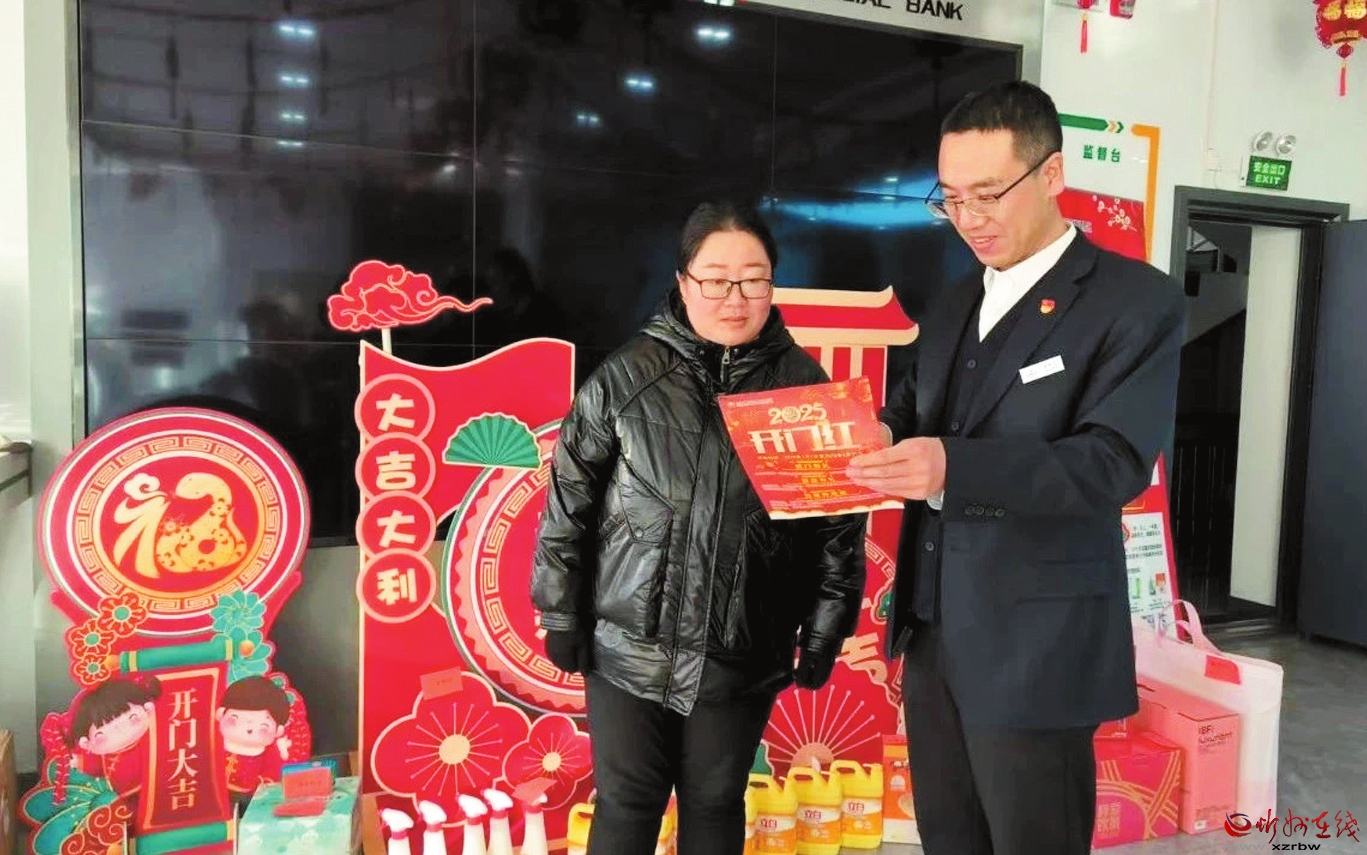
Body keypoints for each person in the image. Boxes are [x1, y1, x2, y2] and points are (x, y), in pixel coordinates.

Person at [846, 81, 1185, 855]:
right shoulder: (953, 299)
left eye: (988, 194)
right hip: (933, 633)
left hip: (1037, 643)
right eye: (951, 199)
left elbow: (1110, 462)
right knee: (948, 835)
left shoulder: (1134, 302)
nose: (968, 217)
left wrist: (950, 469)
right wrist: (873, 432)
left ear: (1051, 174)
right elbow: (915, 407)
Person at [531, 201, 867, 855]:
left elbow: (837, 531)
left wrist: (826, 631)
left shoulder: (806, 392)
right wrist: (561, 611)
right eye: (716, 279)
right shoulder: (626, 376)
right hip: (627, 647)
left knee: (715, 802)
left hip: (741, 650)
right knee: (626, 804)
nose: (734, 298)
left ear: (772, 284)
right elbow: (569, 502)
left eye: (753, 279)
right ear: (684, 282)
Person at [218, 675, 293, 802]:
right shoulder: (215, 744)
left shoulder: (267, 753)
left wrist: (260, 785)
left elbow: (272, 771)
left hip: (246, 796)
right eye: (235, 719)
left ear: (278, 731)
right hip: (213, 791)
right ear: (220, 714)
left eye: (263, 726)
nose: (248, 728)